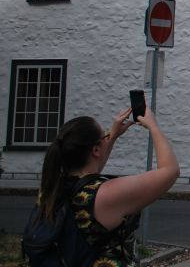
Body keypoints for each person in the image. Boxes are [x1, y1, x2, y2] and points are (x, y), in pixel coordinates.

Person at [36, 105, 179, 265]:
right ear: (95, 150)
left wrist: (113, 135)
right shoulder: (104, 194)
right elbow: (170, 171)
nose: (107, 136)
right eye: (104, 136)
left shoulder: (52, 187)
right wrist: (153, 126)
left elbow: (89, 171)